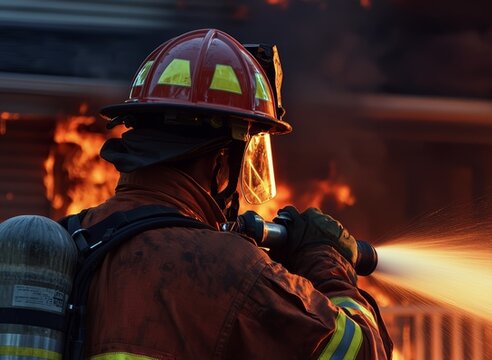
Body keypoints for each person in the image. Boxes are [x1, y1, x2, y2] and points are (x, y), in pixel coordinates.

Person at [71, 29, 389, 359]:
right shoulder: (231, 269)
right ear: (221, 159)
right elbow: (365, 352)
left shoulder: (74, 239)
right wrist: (326, 262)